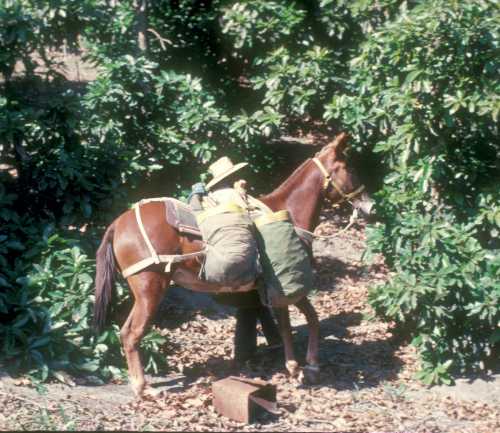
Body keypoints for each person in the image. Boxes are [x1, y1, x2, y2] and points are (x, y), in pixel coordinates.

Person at [188, 156, 282, 363]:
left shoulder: (208, 199)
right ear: (232, 178)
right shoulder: (235, 195)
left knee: (256, 303)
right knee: (250, 306)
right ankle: (244, 355)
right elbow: (261, 219)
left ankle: (275, 341)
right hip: (242, 261)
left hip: (219, 261)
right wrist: (243, 194)